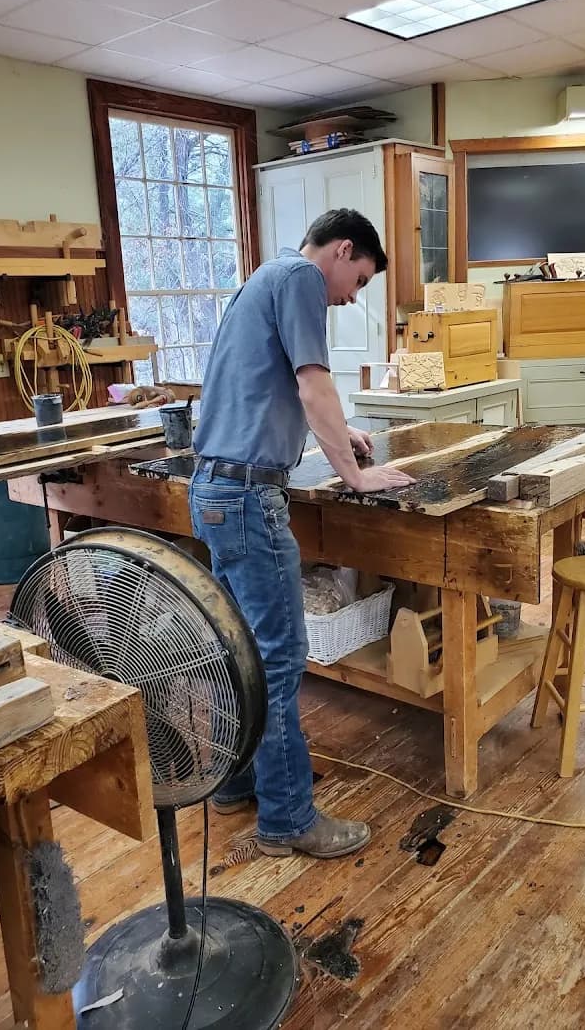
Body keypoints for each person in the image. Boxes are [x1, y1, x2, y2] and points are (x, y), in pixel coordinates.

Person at [189, 208, 413, 858]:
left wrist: (346, 437)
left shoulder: (262, 278)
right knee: (280, 660)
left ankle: (236, 782)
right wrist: (357, 475)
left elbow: (273, 389)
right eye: (360, 279)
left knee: (241, 651)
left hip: (214, 490)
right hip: (249, 498)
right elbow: (313, 386)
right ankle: (288, 819)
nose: (351, 296)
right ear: (341, 251)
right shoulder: (302, 281)